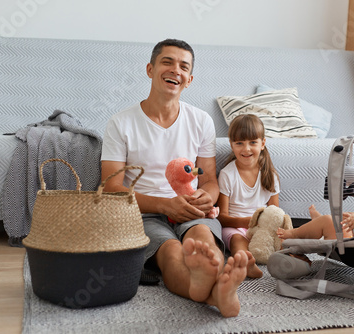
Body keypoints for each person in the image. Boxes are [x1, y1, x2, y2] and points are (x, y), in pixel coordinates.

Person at [100, 39, 247, 318]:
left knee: (203, 238)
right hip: (145, 213)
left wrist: (209, 196)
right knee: (170, 254)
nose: (175, 70)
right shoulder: (121, 123)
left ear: (189, 80)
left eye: (183, 66)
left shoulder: (201, 120)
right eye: (167, 62)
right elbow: (110, 188)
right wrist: (165, 205)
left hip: (191, 208)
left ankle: (214, 287)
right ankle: (216, 293)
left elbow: (210, 180)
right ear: (150, 68)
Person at [217, 114, 280, 278]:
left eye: (253, 142)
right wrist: (246, 222)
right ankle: (246, 261)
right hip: (234, 226)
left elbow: (275, 212)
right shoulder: (227, 174)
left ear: (262, 144)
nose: (246, 149)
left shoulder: (270, 175)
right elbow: (222, 217)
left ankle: (293, 259)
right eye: (239, 143)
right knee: (238, 240)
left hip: (260, 226)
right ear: (232, 145)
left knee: (283, 240)